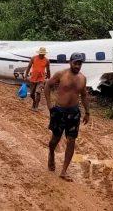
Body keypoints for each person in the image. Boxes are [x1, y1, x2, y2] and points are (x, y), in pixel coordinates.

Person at [44, 52, 90, 182]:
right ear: (70, 62)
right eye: (75, 63)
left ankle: (64, 171)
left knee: (71, 140)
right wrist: (48, 103)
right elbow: (48, 85)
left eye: (80, 63)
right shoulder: (61, 74)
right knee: (55, 138)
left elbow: (84, 95)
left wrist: (87, 112)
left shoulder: (82, 78)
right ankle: (51, 153)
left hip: (74, 112)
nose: (77, 66)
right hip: (59, 111)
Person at [24, 47, 51, 112]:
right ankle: (34, 101)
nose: (42, 55)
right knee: (32, 94)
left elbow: (48, 70)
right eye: (41, 54)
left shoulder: (47, 60)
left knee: (38, 92)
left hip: (41, 79)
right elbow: (29, 67)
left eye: (43, 54)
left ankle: (36, 106)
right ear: (39, 53)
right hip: (33, 78)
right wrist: (25, 76)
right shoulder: (33, 58)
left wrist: (49, 79)